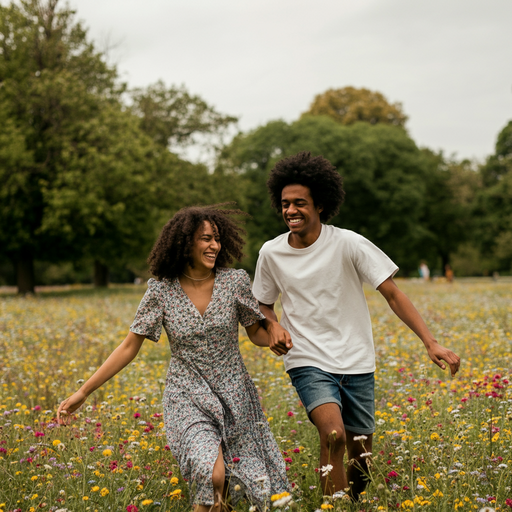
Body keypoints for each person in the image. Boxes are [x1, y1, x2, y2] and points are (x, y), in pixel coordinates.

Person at [251, 152, 461, 501]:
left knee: (361, 456)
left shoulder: (348, 243)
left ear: (320, 203)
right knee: (332, 435)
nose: (290, 211)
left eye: (299, 203)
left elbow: (392, 294)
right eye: (285, 204)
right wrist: (272, 327)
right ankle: (332, 506)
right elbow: (262, 303)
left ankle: (355, 500)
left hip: (356, 360)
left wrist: (430, 342)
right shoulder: (271, 253)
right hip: (307, 359)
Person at [57, 205, 290, 512]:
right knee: (211, 473)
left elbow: (256, 333)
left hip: (235, 395)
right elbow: (129, 346)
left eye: (217, 238)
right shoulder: (161, 291)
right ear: (185, 243)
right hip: (187, 396)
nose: (214, 246)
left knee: (246, 485)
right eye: (205, 239)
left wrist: (273, 328)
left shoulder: (234, 282)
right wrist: (83, 391)